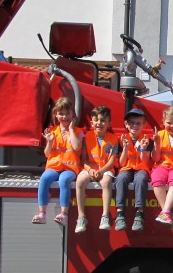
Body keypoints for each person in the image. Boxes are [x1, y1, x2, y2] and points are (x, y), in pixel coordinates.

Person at [33, 97, 84, 226]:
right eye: (61, 113)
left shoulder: (78, 131)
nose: (65, 116)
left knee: (64, 180)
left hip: (70, 169)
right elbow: (47, 153)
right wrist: (49, 141)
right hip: (54, 167)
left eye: (67, 113)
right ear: (56, 114)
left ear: (72, 113)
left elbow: (77, 147)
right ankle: (42, 214)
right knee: (44, 179)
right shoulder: (53, 131)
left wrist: (71, 129)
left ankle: (64, 214)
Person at [75, 105, 118, 233]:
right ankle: (81, 217)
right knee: (80, 181)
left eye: (103, 120)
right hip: (90, 168)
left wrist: (102, 171)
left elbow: (111, 161)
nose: (99, 123)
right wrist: (89, 170)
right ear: (92, 122)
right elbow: (83, 159)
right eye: (96, 120)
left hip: (105, 169)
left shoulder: (113, 139)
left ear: (109, 123)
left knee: (106, 182)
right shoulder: (86, 136)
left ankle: (105, 216)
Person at [113, 107, 153, 231]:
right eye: (132, 123)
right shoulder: (120, 140)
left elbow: (145, 162)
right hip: (126, 167)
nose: (135, 126)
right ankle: (120, 214)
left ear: (143, 124)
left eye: (138, 123)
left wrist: (143, 149)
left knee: (141, 179)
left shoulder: (148, 140)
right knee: (120, 178)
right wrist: (125, 148)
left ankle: (139, 214)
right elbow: (121, 163)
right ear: (126, 124)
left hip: (141, 167)